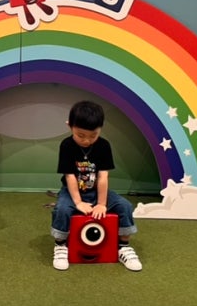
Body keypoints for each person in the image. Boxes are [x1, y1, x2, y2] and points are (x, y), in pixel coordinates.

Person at [50, 100, 142, 272]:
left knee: (124, 205)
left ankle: (123, 246)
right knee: (61, 209)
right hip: (72, 192)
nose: (87, 140)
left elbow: (103, 176)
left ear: (100, 129)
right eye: (80, 135)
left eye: (93, 136)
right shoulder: (67, 145)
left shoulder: (103, 146)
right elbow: (70, 176)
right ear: (69, 126)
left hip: (97, 192)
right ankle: (60, 245)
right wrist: (78, 202)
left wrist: (101, 204)